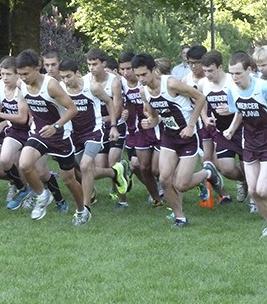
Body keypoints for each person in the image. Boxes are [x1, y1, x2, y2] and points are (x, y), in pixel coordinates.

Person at [132, 53, 224, 227]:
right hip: (169, 137)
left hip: (188, 138)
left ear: (153, 70)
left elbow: (200, 98)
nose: (141, 79)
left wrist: (190, 125)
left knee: (181, 185)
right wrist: (150, 121)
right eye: (137, 76)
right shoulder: (143, 91)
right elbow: (153, 114)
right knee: (165, 179)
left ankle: (208, 173)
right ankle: (179, 216)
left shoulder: (171, 84)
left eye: (144, 74)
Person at [14, 49, 88, 223]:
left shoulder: (51, 85)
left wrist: (56, 126)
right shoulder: (21, 84)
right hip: (39, 134)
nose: (23, 78)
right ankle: (42, 195)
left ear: (37, 67)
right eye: (20, 74)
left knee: (69, 180)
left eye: (26, 73)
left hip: (60, 135)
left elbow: (73, 109)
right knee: (24, 164)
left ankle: (82, 210)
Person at [59, 59, 119, 209]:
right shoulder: (60, 89)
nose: (65, 81)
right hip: (74, 134)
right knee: (85, 169)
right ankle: (114, 172)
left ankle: (86, 208)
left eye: (68, 76)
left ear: (77, 73)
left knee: (85, 166)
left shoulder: (92, 87)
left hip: (94, 131)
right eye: (63, 77)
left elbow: (109, 102)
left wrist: (113, 126)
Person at [223, 51, 267, 237]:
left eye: (238, 73)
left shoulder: (263, 87)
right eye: (231, 73)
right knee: (253, 192)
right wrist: (232, 129)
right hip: (249, 143)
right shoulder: (232, 90)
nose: (234, 77)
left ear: (250, 70)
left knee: (263, 190)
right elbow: (239, 112)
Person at [0, 56, 33, 209]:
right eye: (2, 74)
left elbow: (23, 118)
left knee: (30, 169)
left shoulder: (22, 90)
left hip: (29, 131)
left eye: (8, 74)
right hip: (14, 130)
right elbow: (2, 101)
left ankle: (35, 192)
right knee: (3, 162)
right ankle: (22, 188)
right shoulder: (1, 86)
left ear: (18, 74)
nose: (4, 78)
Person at [199, 50, 246, 205]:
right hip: (222, 131)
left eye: (210, 70)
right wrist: (205, 117)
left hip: (242, 129)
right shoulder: (203, 83)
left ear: (220, 67)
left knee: (248, 166)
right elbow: (201, 102)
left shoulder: (232, 82)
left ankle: (254, 199)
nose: (207, 74)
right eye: (205, 71)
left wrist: (231, 109)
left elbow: (245, 103)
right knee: (225, 168)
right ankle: (244, 181)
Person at [84, 48, 131, 205]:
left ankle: (121, 199)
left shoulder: (114, 81)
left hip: (115, 125)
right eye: (89, 64)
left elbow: (117, 108)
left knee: (113, 160)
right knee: (99, 166)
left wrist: (112, 124)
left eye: (95, 64)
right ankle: (118, 174)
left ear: (103, 64)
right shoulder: (85, 81)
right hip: (97, 127)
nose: (91, 68)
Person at [118, 51, 163, 207]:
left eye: (129, 68)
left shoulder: (147, 82)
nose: (126, 73)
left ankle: (167, 184)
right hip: (138, 130)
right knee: (139, 166)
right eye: (122, 69)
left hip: (156, 127)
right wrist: (125, 110)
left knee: (156, 170)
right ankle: (157, 197)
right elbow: (126, 102)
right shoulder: (121, 83)